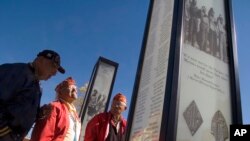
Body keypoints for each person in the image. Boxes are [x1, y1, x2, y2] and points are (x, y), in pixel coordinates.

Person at [0, 49, 65, 141]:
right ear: (40, 60)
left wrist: (39, 113)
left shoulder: (38, 87)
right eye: (53, 66)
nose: (55, 73)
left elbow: (19, 113)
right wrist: (5, 134)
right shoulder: (16, 72)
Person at [30, 77, 81, 141]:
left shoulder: (75, 114)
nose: (75, 90)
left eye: (76, 88)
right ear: (60, 92)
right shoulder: (54, 107)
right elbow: (43, 135)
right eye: (71, 88)